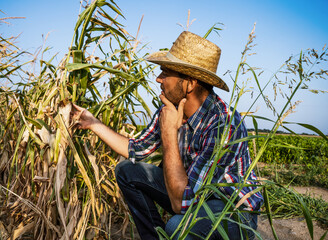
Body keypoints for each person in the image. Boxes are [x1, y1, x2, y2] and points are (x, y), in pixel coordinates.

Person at [71, 31, 263, 240]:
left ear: (189, 83)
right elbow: (135, 148)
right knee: (126, 171)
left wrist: (170, 134)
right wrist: (92, 123)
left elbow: (182, 202)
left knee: (178, 226)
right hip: (191, 195)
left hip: (232, 211)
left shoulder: (223, 124)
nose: (158, 79)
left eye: (165, 73)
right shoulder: (169, 108)